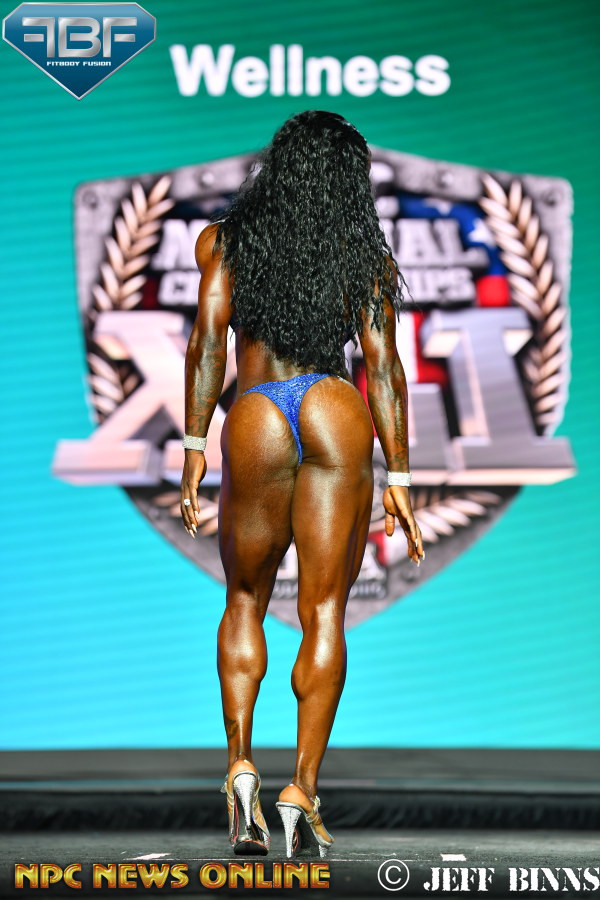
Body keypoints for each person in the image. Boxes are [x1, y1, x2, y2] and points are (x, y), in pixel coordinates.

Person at [180, 110, 424, 858]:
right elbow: (383, 369)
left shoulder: (224, 242)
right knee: (324, 612)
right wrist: (401, 474)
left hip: (256, 411)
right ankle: (302, 792)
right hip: (332, 406)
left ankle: (240, 769)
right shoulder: (362, 255)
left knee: (244, 599)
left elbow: (206, 345)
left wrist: (195, 445)